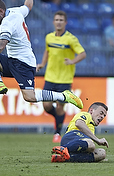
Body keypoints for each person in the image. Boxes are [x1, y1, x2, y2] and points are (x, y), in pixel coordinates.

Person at [0, 0, 83, 111]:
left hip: (23, 63)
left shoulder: (7, 23)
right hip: (13, 60)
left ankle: (64, 96)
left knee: (29, 97)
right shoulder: (15, 11)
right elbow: (28, 6)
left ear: (1, 11)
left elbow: (1, 44)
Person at [36, 10, 86, 143]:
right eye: (56, 20)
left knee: (59, 107)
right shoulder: (49, 37)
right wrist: (42, 64)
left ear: (65, 22)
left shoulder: (71, 39)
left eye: (61, 20)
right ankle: (59, 118)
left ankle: (57, 132)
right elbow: (47, 51)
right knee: (46, 106)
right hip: (50, 77)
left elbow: (82, 54)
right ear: (53, 22)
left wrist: (72, 61)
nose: (58, 22)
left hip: (64, 79)